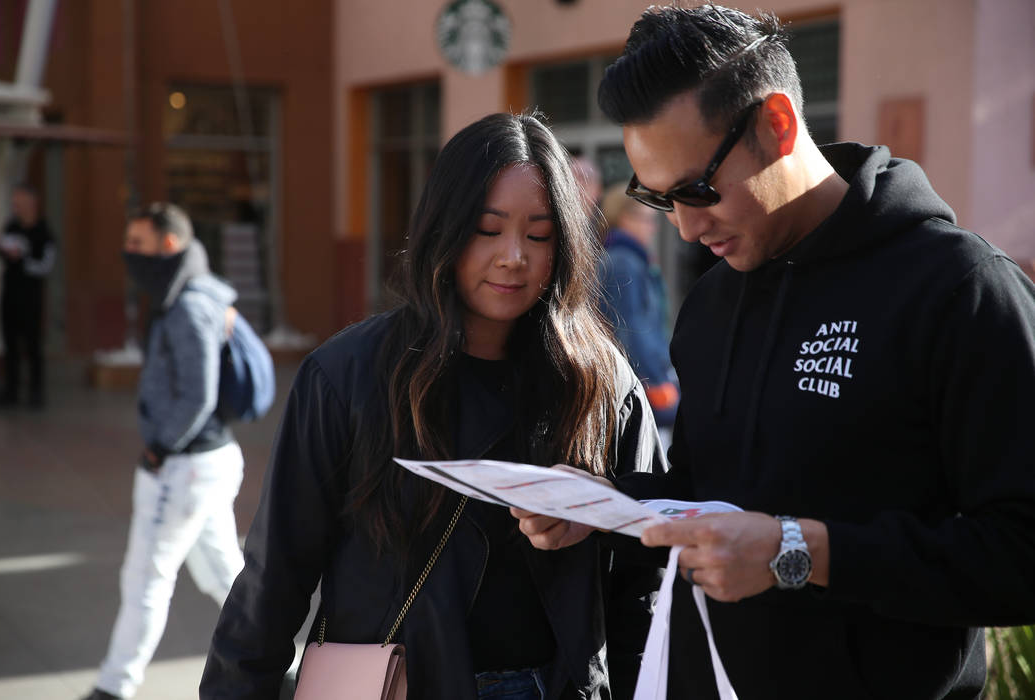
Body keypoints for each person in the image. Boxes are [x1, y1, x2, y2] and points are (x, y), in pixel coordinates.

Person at [514, 5, 1035, 699]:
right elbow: (708, 494)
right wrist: (606, 504)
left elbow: (1021, 552)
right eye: (661, 198)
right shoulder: (712, 303)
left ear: (779, 125)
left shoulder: (957, 288)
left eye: (699, 190)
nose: (691, 229)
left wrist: (803, 552)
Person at [200, 113, 665, 700]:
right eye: (487, 229)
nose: (513, 256)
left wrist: (599, 516)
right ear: (443, 229)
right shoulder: (348, 375)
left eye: (539, 234)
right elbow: (278, 573)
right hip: (395, 686)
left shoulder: (601, 382)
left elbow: (646, 570)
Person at [81, 203, 245, 700]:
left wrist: (159, 448)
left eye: (138, 243)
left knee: (146, 580)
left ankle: (114, 686)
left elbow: (199, 393)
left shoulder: (189, 304)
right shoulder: (193, 291)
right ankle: (289, 666)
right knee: (224, 574)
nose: (128, 253)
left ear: (168, 245)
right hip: (208, 463)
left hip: (187, 466)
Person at [597, 183, 679, 441]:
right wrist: (654, 379)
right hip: (642, 382)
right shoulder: (624, 262)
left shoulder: (622, 257)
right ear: (624, 217)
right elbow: (631, 329)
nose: (652, 229)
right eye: (647, 220)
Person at [0, 184, 56, 407]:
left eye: (20, 202)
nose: (16, 206)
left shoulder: (43, 232)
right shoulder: (11, 226)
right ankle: (11, 392)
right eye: (14, 203)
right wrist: (5, 251)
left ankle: (36, 393)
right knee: (10, 343)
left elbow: (46, 266)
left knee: (32, 345)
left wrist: (23, 258)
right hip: (10, 294)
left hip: (31, 297)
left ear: (32, 202)